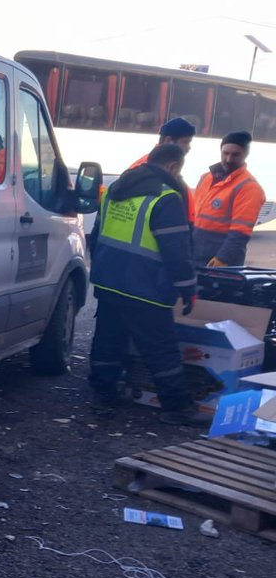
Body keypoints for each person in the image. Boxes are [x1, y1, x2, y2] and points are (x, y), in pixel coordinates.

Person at [87, 142, 209, 426]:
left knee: (108, 339)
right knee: (162, 348)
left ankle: (103, 392)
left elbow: (96, 234)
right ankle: (176, 406)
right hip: (146, 288)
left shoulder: (115, 189)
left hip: (109, 282)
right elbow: (177, 252)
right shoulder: (165, 199)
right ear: (172, 167)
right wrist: (188, 289)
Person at [192, 131, 266, 267]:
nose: (229, 159)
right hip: (196, 254)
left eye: (235, 155)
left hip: (221, 261)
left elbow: (240, 232)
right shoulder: (206, 178)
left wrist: (223, 259)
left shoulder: (249, 187)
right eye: (225, 153)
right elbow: (193, 216)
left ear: (246, 155)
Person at [125, 116, 198, 219]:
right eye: (185, 142)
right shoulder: (144, 166)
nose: (189, 147)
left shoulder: (159, 166)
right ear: (168, 140)